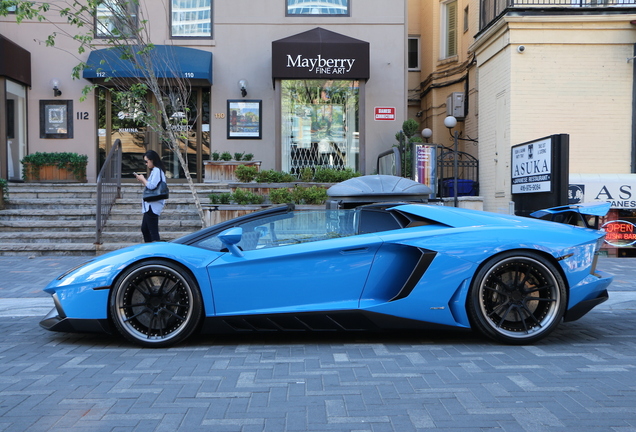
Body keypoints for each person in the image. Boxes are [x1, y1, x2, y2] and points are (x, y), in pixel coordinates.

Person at [134, 150, 166, 242]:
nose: (146, 164)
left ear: (152, 160)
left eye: (146, 161)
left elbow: (152, 186)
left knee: (152, 231)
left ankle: (155, 252)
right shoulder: (155, 171)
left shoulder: (156, 170)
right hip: (150, 206)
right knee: (145, 229)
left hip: (153, 205)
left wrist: (143, 179)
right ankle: (150, 250)